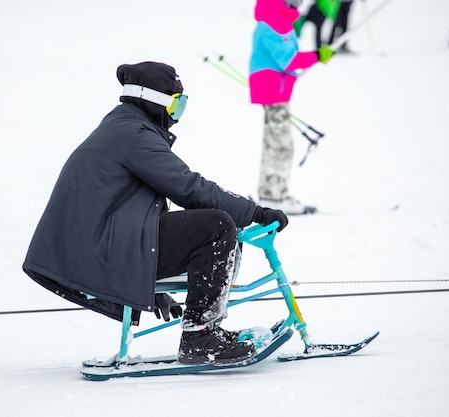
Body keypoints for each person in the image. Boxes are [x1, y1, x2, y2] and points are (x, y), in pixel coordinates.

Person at [22, 61, 289, 365]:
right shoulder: (133, 134)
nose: (177, 115)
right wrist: (255, 212)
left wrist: (152, 291)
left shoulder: (123, 127)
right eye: (177, 104)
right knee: (216, 226)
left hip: (102, 244)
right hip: (103, 249)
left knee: (214, 228)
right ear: (154, 100)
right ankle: (200, 337)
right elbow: (189, 188)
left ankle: (206, 329)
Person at [249, 0, 333, 215]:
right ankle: (275, 196)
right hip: (273, 91)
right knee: (281, 145)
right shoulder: (276, 21)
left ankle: (269, 193)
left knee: (274, 142)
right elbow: (289, 60)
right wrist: (316, 55)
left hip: (274, 90)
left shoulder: (274, 19)